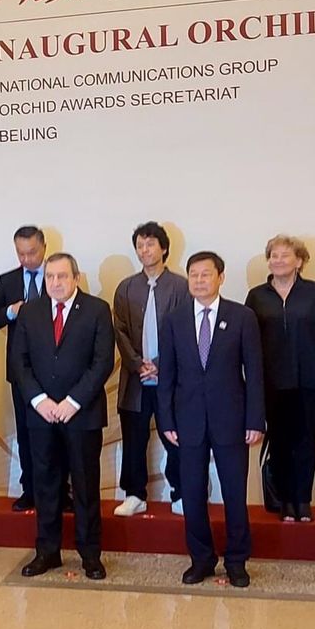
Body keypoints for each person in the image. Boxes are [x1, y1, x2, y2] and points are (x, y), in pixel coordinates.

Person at [159, 251, 265, 587]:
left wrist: (255, 420)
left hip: (231, 419)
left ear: (221, 277)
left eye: (206, 274)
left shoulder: (242, 317)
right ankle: (201, 559)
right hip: (187, 421)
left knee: (234, 494)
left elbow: (255, 373)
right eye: (193, 274)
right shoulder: (174, 319)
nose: (199, 280)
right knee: (192, 494)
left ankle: (237, 561)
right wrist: (166, 420)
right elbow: (167, 375)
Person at [12, 253, 116, 581]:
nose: (55, 282)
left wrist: (73, 401)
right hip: (41, 415)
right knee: (45, 485)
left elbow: (102, 361)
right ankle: (47, 551)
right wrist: (39, 400)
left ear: (76, 278)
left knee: (85, 486)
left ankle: (90, 555)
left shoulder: (97, 310)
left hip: (82, 415)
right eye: (50, 277)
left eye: (62, 276)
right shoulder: (30, 311)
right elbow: (19, 362)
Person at [245, 234, 315, 522]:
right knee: (279, 442)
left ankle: (303, 500)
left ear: (299, 261)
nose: (278, 260)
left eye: (285, 255)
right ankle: (284, 501)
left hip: (309, 380)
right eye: (274, 255)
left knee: (305, 441)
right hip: (271, 382)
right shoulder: (257, 296)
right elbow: (248, 340)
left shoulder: (314, 292)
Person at [0, 226, 70, 512]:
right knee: (26, 433)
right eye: (20, 254)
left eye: (32, 252)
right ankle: (30, 489)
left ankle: (62, 491)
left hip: (57, 370)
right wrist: (11, 311)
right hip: (21, 372)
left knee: (60, 433)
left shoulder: (58, 277)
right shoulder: (8, 280)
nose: (26, 259)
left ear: (44, 247)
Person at [112, 221, 188, 517]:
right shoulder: (126, 287)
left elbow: (185, 331)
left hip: (171, 378)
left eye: (150, 244)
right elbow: (119, 330)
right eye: (140, 245)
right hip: (135, 379)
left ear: (164, 248)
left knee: (176, 438)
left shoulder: (181, 286)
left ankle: (181, 492)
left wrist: (159, 365)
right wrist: (136, 363)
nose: (145, 250)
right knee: (133, 439)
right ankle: (134, 494)